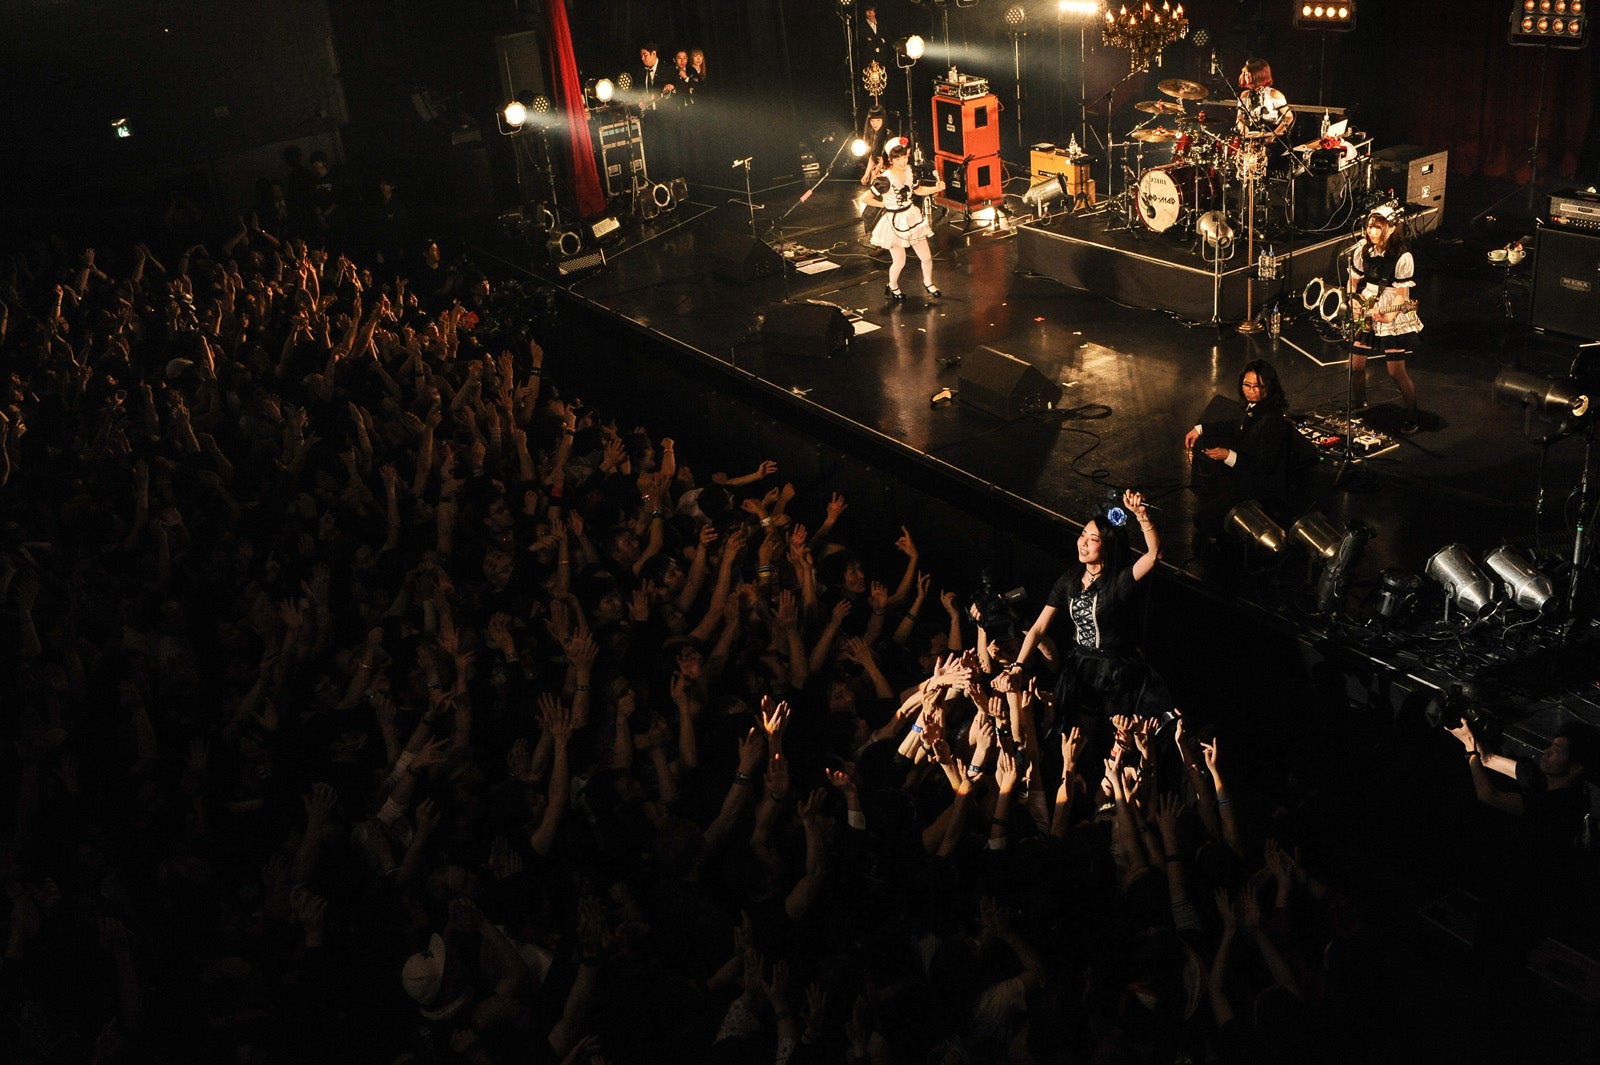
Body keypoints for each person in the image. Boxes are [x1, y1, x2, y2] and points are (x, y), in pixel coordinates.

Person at [1010, 489, 1164, 730]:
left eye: (1092, 539)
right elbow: (1039, 627)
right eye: (1083, 534)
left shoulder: (1119, 580)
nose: (1083, 542)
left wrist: (1141, 515)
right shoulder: (1069, 580)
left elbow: (1153, 556)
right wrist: (1018, 665)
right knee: (1077, 730)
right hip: (1081, 667)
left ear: (1106, 546)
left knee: (1112, 731)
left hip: (1114, 671)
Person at [1184, 359, 1297, 534]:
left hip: (1259, 488)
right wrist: (1200, 429)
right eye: (1247, 385)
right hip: (1244, 475)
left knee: (1202, 519)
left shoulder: (1273, 421)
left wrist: (1227, 455)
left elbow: (1262, 468)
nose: (1250, 391)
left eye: (1256, 386)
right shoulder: (1254, 407)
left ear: (1268, 387)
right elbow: (1235, 426)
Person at [1346, 205, 1422, 433]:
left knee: (1395, 371)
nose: (1371, 231)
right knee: (1356, 365)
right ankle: (1360, 406)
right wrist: (1353, 300)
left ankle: (1413, 415)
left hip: (1392, 307)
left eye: (1377, 227)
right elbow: (1352, 281)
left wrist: (1390, 314)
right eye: (1369, 226)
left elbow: (1403, 296)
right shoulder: (1362, 250)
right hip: (1369, 305)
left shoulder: (1402, 256)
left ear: (1390, 229)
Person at [864, 137, 944, 301]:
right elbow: (866, 198)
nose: (902, 161)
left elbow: (918, 190)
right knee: (900, 261)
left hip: (912, 217)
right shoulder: (885, 179)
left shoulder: (909, 171)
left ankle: (928, 283)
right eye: (897, 158)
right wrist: (885, 204)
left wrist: (936, 188)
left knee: (927, 257)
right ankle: (892, 286)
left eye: (904, 157)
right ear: (891, 160)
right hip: (895, 222)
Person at [858, 105, 897, 187]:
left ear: (883, 121)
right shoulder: (873, 134)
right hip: (877, 173)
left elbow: (896, 158)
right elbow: (873, 156)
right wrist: (866, 174)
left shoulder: (889, 135)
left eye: (878, 120)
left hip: (889, 174)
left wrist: (884, 164)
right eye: (872, 121)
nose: (874, 123)